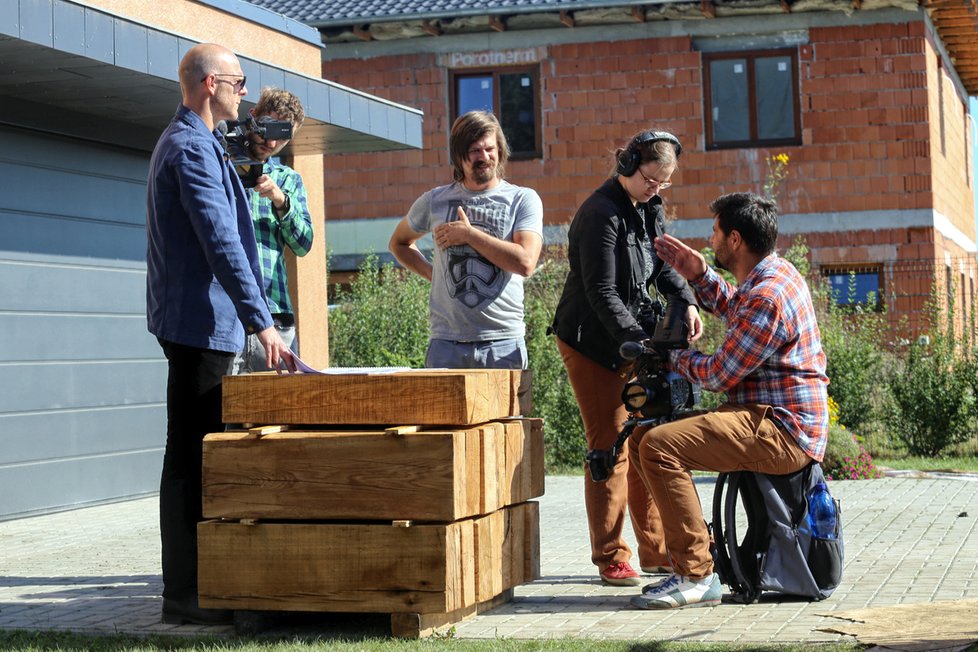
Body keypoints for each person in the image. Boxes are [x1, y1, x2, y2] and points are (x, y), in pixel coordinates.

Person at [145, 43, 296, 626]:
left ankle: (194, 585)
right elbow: (220, 240)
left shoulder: (203, 143)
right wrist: (262, 322)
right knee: (191, 456)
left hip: (199, 323)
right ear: (210, 84)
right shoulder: (189, 147)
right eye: (237, 81)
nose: (245, 91)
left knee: (193, 453)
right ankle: (185, 594)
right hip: (196, 325)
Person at [627, 191, 830, 610]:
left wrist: (672, 356)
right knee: (642, 436)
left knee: (660, 445)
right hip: (763, 418)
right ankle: (701, 551)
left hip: (783, 430)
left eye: (715, 232)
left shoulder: (769, 296)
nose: (710, 238)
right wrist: (699, 274)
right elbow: (736, 306)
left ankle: (697, 575)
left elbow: (720, 373)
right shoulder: (770, 274)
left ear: (734, 240)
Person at [550, 130, 702, 587]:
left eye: (664, 183)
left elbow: (662, 267)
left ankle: (656, 551)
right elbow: (601, 291)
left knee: (646, 443)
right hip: (590, 342)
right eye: (650, 179)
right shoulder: (600, 213)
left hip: (632, 341)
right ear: (629, 164)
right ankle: (611, 554)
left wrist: (688, 301)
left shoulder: (648, 209)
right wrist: (636, 339)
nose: (656, 189)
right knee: (610, 446)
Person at [389, 110, 543, 369]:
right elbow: (398, 243)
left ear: (500, 150)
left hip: (503, 344)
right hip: (446, 345)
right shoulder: (434, 201)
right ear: (459, 156)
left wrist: (469, 235)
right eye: (474, 150)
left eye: (489, 149)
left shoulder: (522, 200)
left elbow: (526, 262)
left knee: (507, 413)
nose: (484, 157)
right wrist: (435, 274)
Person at [231, 88, 313, 373]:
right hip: (231, 313)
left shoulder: (288, 179)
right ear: (253, 116)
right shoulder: (223, 165)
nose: (272, 141)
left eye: (284, 135)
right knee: (225, 413)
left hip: (276, 315)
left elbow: (304, 244)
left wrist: (281, 201)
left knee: (279, 413)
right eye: (269, 128)